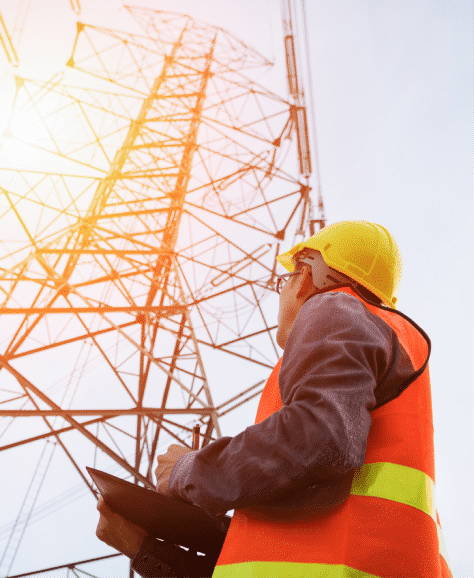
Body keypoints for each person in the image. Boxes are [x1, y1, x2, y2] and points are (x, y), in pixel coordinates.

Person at [96, 220, 453, 578]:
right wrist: (141, 549)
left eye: (286, 279)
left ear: (309, 276)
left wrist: (188, 471)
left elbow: (318, 437)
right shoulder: (376, 350)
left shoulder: (335, 306)